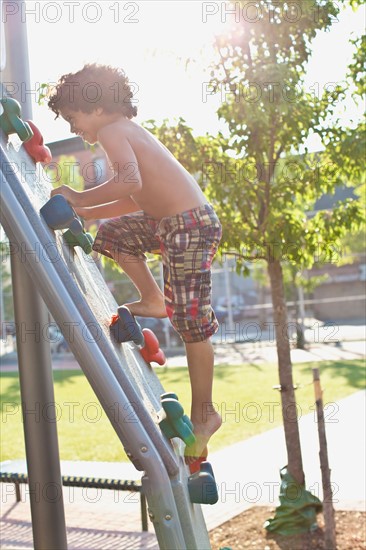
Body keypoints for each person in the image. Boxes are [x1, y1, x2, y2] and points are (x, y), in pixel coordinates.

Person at [48, 63, 222, 463]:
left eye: (74, 119)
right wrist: (87, 209)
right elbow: (135, 197)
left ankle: (205, 413)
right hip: (167, 221)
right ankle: (152, 298)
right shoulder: (127, 131)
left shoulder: (112, 132)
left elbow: (128, 183)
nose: (76, 130)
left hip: (189, 226)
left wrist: (78, 196)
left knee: (192, 323)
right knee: (112, 235)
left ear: (92, 105)